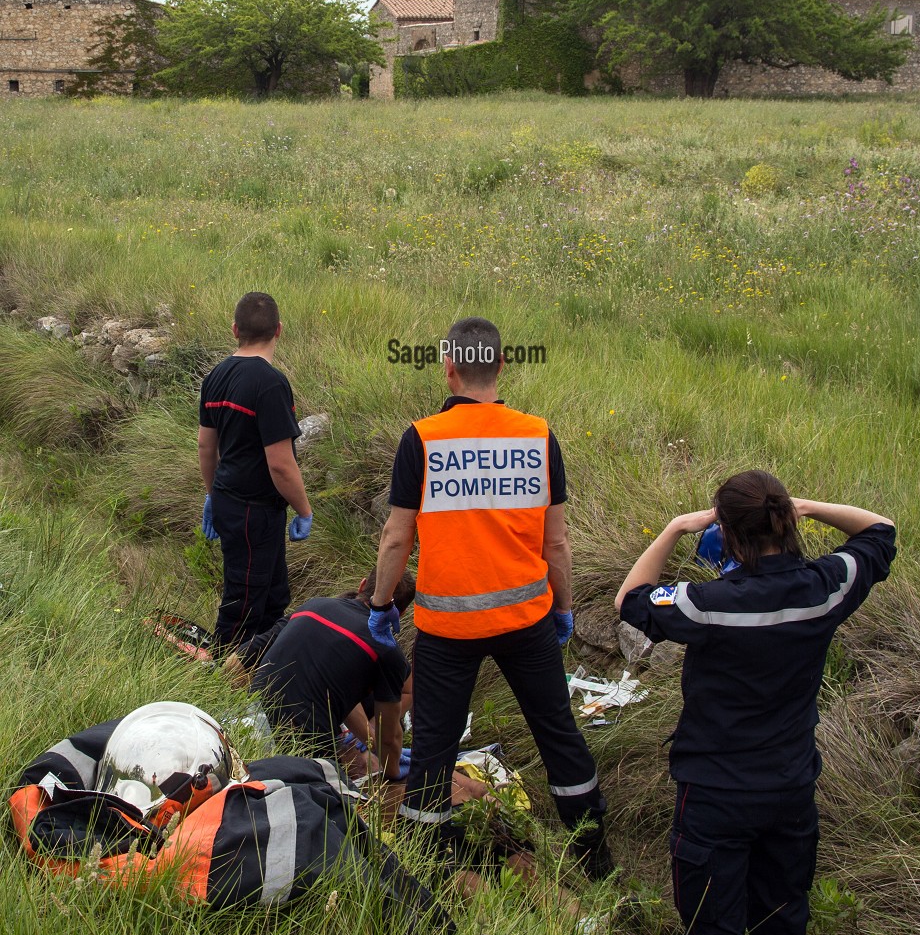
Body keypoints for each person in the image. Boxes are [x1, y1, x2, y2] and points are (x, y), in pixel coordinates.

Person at [614, 471, 896, 935]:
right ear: (785, 521)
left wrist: (672, 529)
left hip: (714, 795)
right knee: (786, 923)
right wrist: (810, 506)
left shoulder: (708, 604)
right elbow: (881, 530)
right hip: (791, 790)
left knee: (712, 932)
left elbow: (630, 601)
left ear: (728, 537)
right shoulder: (827, 588)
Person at [369, 316, 611, 880]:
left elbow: (397, 536)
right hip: (526, 620)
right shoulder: (537, 435)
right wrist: (565, 607)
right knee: (557, 733)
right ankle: (595, 855)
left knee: (433, 744)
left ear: (448, 369)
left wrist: (382, 606)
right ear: (501, 366)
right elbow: (558, 542)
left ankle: (430, 859)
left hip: (447, 629)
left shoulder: (422, 438)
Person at [198, 292, 314, 650]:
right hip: (254, 511)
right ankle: (219, 674)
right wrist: (305, 510)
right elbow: (280, 464)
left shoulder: (216, 376)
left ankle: (258, 669)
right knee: (244, 601)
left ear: (235, 329)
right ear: (279, 330)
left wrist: (212, 495)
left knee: (274, 595)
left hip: (231, 501)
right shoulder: (270, 383)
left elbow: (206, 445)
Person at [233, 570, 415, 783]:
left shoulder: (314, 606)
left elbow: (331, 691)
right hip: (302, 748)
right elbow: (390, 737)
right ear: (401, 614)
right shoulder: (386, 650)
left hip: (248, 722)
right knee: (374, 777)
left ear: (362, 585)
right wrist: (393, 774)